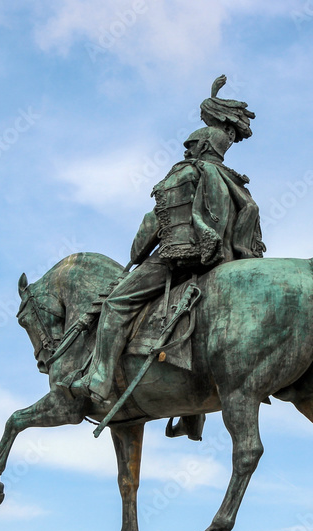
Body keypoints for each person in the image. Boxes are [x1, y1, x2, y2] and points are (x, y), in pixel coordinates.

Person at [72, 77, 265, 403]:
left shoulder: (187, 172)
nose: (186, 150)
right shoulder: (236, 185)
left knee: (116, 304)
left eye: (190, 146)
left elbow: (156, 221)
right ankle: (193, 419)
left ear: (201, 147)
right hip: (224, 263)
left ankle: (100, 378)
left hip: (182, 258)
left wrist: (137, 253)